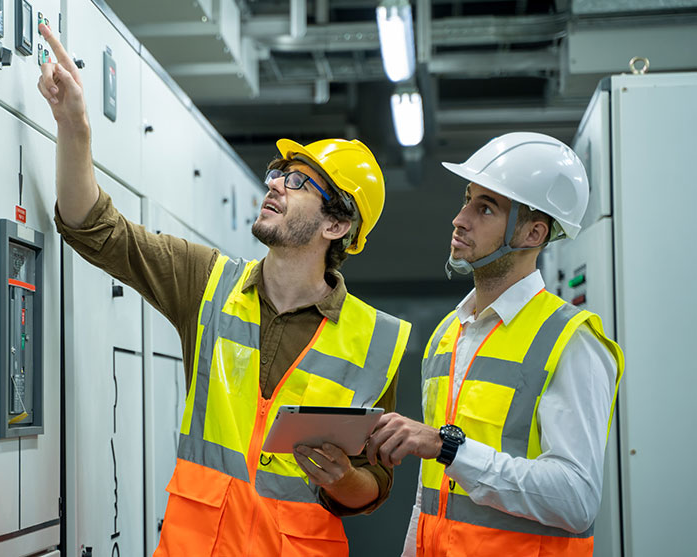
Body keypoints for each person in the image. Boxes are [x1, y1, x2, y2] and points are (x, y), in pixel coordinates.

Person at [35, 23, 411, 557]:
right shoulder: (207, 282)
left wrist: (342, 479)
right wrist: (74, 127)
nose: (276, 183)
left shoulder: (377, 341)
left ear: (336, 226)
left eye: (300, 181)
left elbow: (377, 485)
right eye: (279, 172)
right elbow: (95, 230)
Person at [365, 132, 625, 556]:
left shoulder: (571, 340)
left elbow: (576, 499)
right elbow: (430, 498)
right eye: (467, 199)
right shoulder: (449, 333)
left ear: (532, 233)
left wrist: (448, 446)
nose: (460, 218)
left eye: (485, 208)